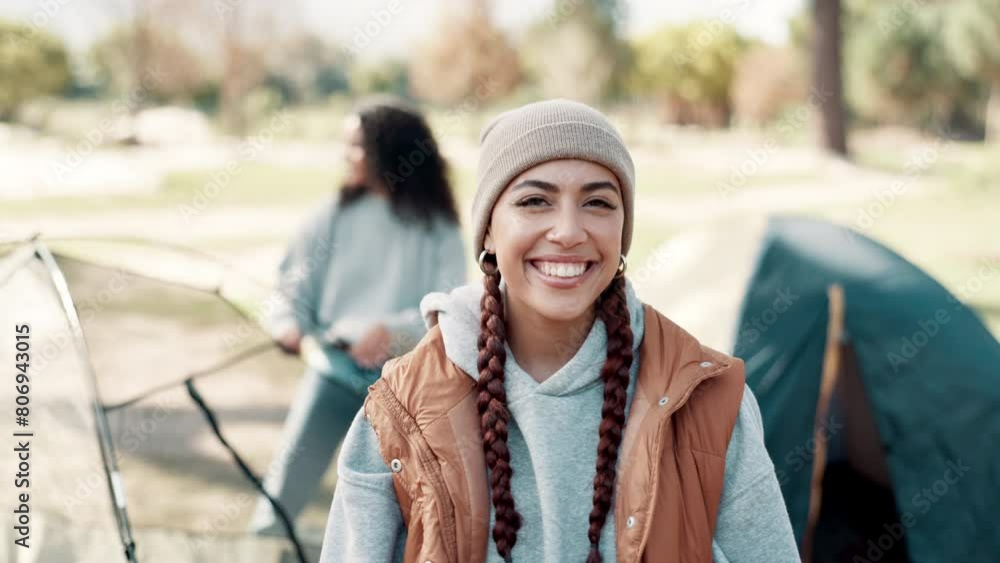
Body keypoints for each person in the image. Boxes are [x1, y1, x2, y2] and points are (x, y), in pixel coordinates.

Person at [318, 100, 799, 562]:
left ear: (622, 229)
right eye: (534, 201)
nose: (568, 231)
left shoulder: (705, 401)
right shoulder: (400, 409)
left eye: (597, 202)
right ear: (488, 230)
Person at [249, 96, 467, 537]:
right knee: (278, 507)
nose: (345, 156)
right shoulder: (332, 217)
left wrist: (394, 332)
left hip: (404, 393)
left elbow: (449, 306)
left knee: (398, 521)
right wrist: (287, 325)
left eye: (356, 146)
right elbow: (291, 289)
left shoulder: (437, 227)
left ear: (389, 152)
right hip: (330, 379)